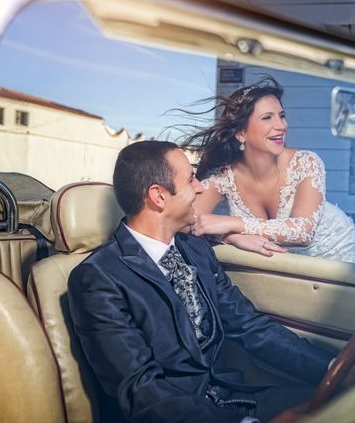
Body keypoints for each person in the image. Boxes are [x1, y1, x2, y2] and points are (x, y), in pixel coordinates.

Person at [67, 140, 337, 423]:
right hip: (175, 415)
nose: (200, 187)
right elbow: (142, 391)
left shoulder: (195, 250)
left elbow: (250, 326)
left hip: (234, 395)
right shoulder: (98, 278)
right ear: (158, 196)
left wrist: (332, 369)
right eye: (191, 179)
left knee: (344, 404)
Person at [182, 76, 355, 263]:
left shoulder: (306, 162)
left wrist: (231, 224)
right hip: (281, 263)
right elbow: (187, 221)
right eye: (267, 118)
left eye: (282, 116)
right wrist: (231, 237)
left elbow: (302, 233)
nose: (281, 126)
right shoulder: (224, 177)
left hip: (334, 251)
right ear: (241, 133)